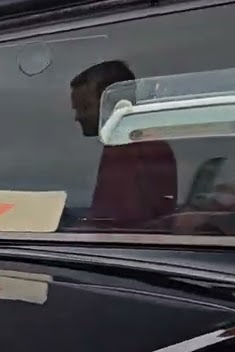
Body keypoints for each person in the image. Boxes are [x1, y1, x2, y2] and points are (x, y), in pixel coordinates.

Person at [69, 61, 177, 228]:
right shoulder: (126, 142)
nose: (78, 117)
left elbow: (119, 222)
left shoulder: (136, 147)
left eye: (85, 107)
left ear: (115, 102)